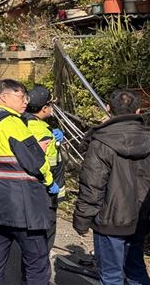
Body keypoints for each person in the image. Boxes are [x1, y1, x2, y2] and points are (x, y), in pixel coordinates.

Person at [0, 79, 56, 285]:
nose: (25, 101)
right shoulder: (12, 123)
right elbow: (36, 162)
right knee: (36, 261)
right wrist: (50, 182)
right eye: (20, 96)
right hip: (21, 205)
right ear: (4, 97)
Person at [73, 90, 150, 285]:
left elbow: (92, 185)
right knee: (136, 268)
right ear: (139, 110)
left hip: (110, 220)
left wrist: (82, 220)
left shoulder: (101, 142)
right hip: (141, 215)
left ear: (108, 109)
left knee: (111, 275)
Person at [23, 85, 66, 254]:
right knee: (44, 235)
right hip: (45, 193)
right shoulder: (44, 133)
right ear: (44, 108)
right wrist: (52, 185)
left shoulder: (22, 123)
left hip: (27, 192)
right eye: (50, 104)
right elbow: (46, 165)